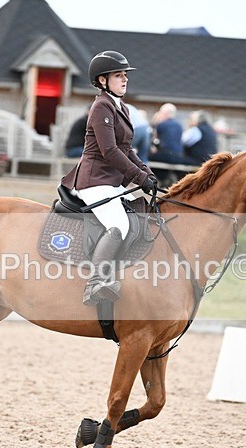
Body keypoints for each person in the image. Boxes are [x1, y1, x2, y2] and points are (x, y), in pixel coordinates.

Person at [60, 50, 157, 306]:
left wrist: (147, 174)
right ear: (102, 80)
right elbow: (110, 151)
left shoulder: (120, 106)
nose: (125, 80)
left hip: (111, 182)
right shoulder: (101, 106)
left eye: (125, 75)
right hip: (94, 181)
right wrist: (138, 176)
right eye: (118, 75)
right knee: (119, 224)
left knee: (142, 216)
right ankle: (94, 284)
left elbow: (127, 150)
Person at [149, 103, 189, 184]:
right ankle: (165, 179)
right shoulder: (179, 125)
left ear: (165, 113)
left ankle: (158, 180)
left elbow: (154, 139)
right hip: (178, 156)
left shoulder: (162, 124)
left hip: (166, 155)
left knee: (147, 158)